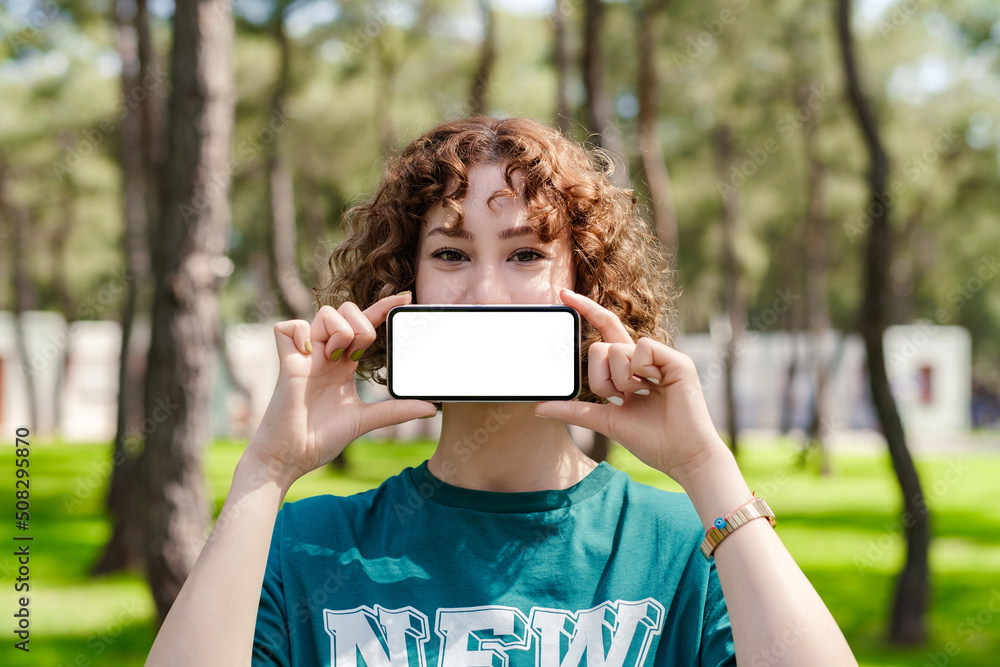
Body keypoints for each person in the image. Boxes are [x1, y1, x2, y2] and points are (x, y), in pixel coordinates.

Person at [146, 116, 858, 666]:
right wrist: (265, 474)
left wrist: (709, 471)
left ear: (587, 287)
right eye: (452, 254)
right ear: (405, 286)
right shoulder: (305, 547)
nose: (486, 293)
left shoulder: (684, 548)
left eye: (525, 254)